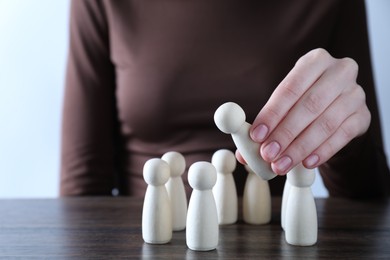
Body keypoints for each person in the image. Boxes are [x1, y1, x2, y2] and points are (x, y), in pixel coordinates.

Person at [60, 0, 390, 198]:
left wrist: (341, 139)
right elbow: (82, 188)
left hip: (273, 241)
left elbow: (370, 192)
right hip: (147, 239)